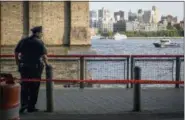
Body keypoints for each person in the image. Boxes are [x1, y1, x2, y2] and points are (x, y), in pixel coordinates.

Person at [14, 26, 49, 113]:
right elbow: (44, 56)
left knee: (24, 85)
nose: (41, 34)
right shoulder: (40, 42)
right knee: (34, 87)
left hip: (24, 66)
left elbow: (16, 52)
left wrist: (18, 62)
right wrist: (47, 65)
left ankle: (24, 105)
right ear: (37, 33)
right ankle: (31, 107)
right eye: (41, 33)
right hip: (35, 68)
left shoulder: (23, 40)